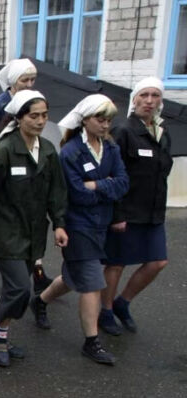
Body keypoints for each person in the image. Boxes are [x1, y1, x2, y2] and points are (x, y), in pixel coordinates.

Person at [29, 94, 128, 364]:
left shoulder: (111, 148)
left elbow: (123, 183)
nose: (105, 125)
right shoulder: (71, 152)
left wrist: (95, 185)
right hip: (77, 225)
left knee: (73, 278)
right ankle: (91, 342)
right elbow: (77, 194)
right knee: (93, 282)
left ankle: (40, 301)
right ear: (85, 120)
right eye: (100, 119)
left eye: (108, 120)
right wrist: (106, 186)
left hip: (101, 224)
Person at [0, 90, 68, 367]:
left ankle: (3, 335)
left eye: (44, 115)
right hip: (6, 233)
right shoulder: (2, 152)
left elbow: (57, 192)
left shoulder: (48, 151)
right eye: (33, 116)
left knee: (14, 288)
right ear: (19, 118)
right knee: (20, 288)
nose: (40, 121)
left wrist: (59, 224)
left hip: (34, 233)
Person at [99, 78, 173, 336]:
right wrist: (117, 214)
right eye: (144, 95)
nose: (149, 101)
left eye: (155, 95)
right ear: (134, 99)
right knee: (116, 264)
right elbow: (111, 174)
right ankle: (105, 311)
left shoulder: (161, 132)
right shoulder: (123, 131)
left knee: (158, 262)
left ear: (160, 100)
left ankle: (123, 302)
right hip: (126, 212)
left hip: (153, 211)